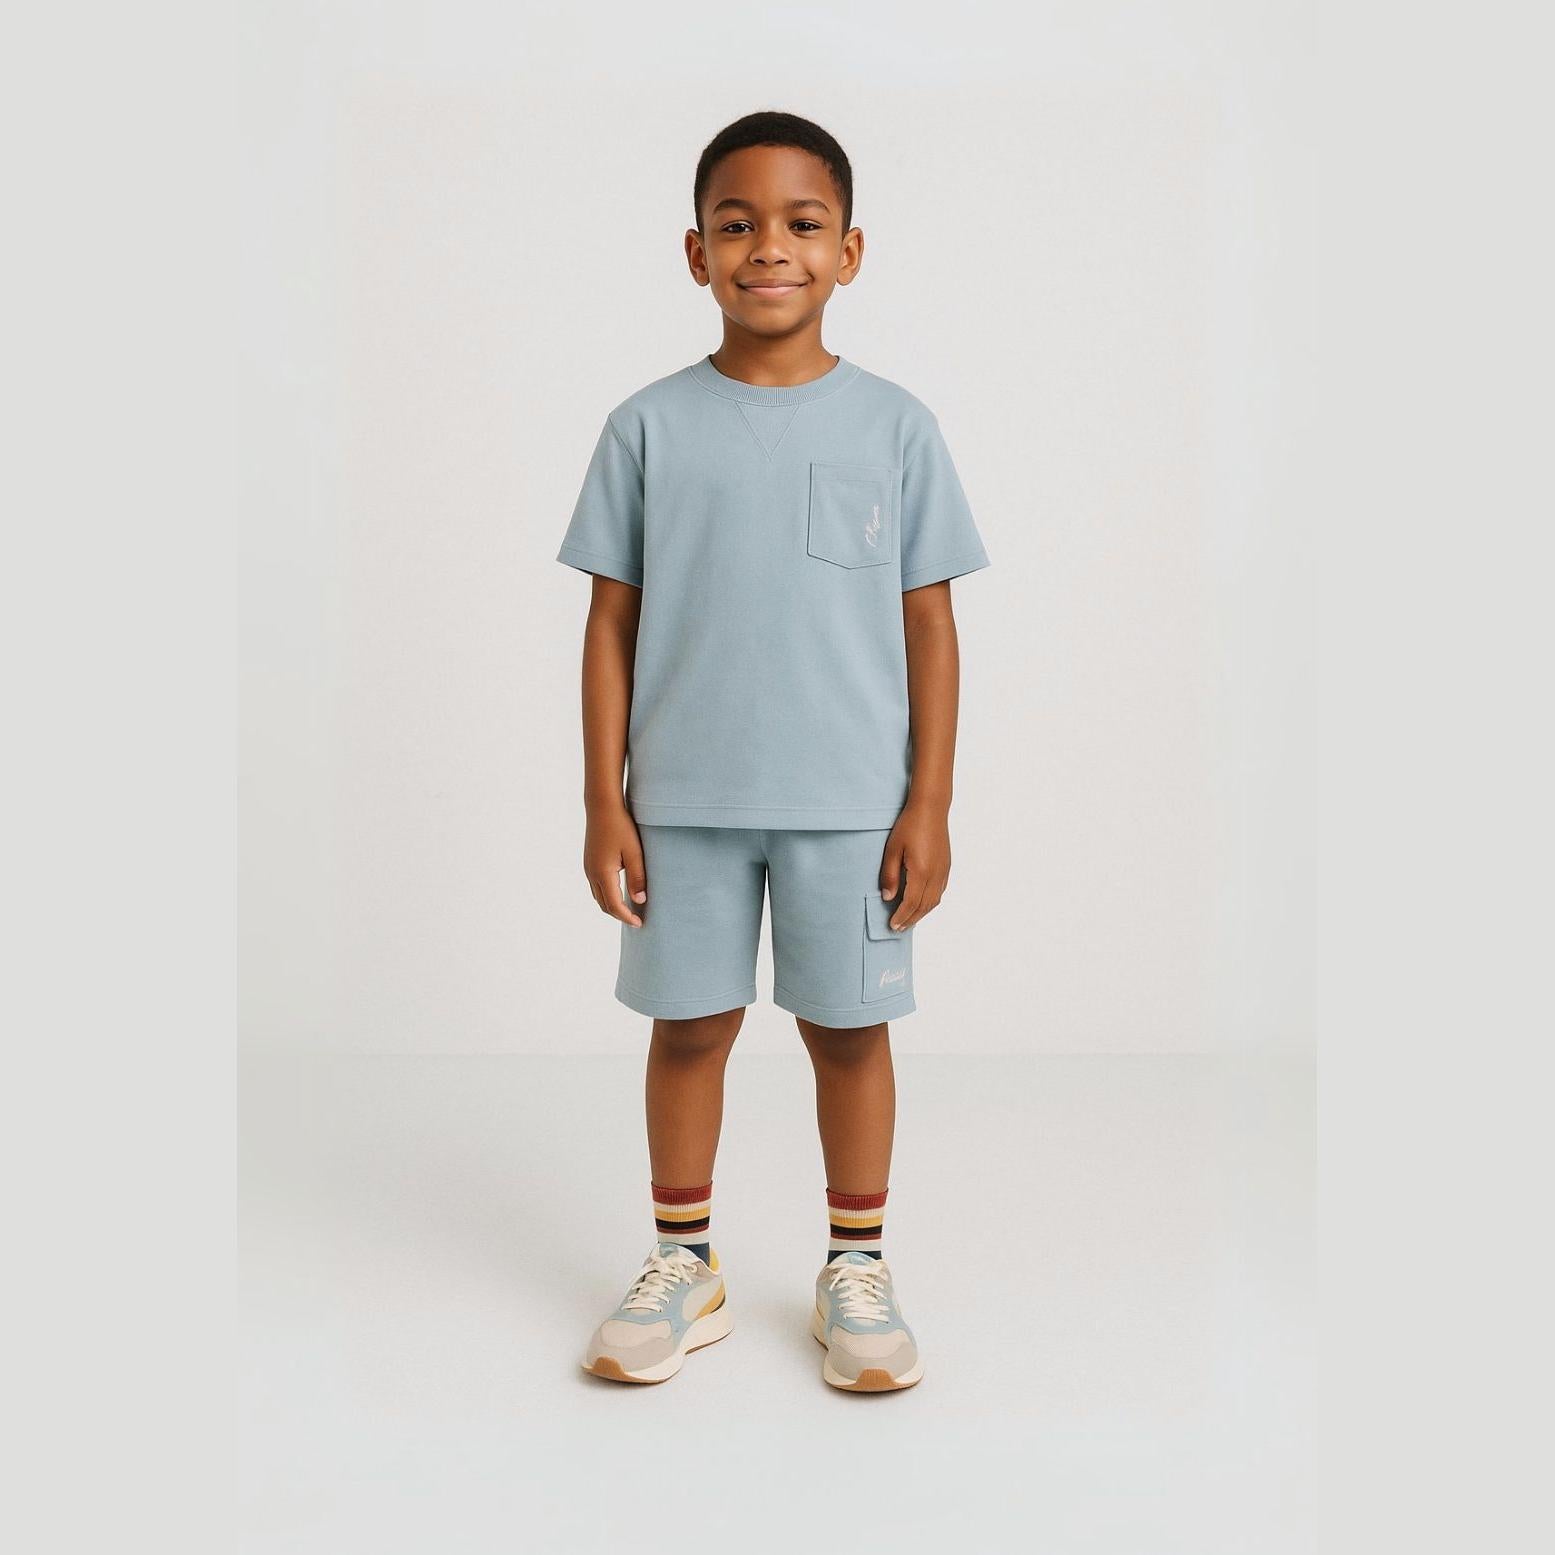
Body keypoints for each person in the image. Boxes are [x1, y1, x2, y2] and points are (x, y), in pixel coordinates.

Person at [557, 110, 990, 1391]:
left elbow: (931, 626)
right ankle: (682, 1259)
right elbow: (609, 623)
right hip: (681, 801)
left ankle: (854, 1269)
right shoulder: (645, 427)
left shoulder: (897, 429)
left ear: (848, 250)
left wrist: (931, 804)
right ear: (694, 253)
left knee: (848, 1033)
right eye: (736, 225)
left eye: (801, 224)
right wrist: (602, 799)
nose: (769, 248)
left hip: (852, 805)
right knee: (688, 1027)